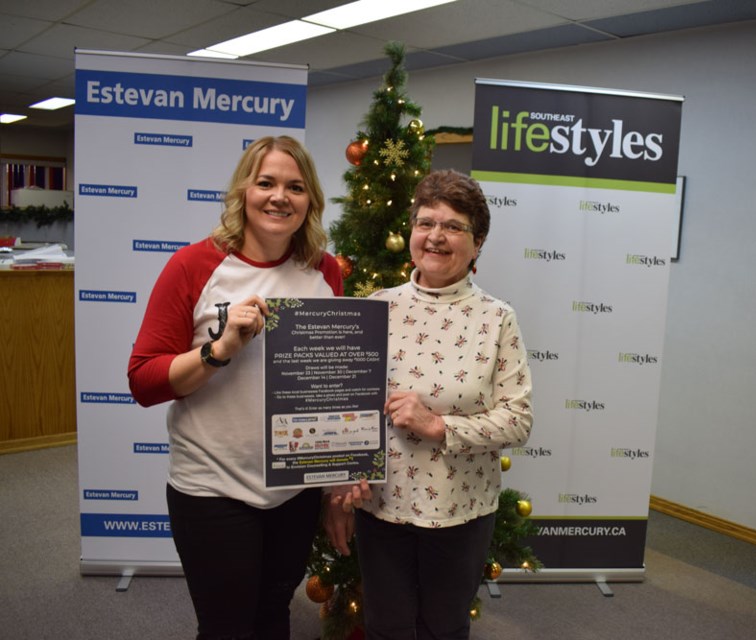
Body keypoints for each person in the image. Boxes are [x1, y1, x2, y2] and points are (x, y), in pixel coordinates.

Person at [128, 135, 367, 640]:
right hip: (213, 487)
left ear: (310, 201)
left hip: (291, 494)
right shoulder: (193, 266)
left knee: (272, 615)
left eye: (295, 187)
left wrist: (337, 480)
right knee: (226, 627)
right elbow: (144, 380)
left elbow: (330, 390)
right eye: (267, 183)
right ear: (243, 191)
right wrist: (219, 349)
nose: (280, 196)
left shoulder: (324, 271)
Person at [324, 169, 534, 640]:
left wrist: (439, 426)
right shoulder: (376, 308)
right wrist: (338, 483)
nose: (436, 236)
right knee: (385, 627)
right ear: (412, 230)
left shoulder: (497, 319)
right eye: (425, 222)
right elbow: (347, 412)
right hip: (383, 507)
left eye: (454, 226)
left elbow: (519, 421)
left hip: (461, 509)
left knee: (443, 628)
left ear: (477, 243)